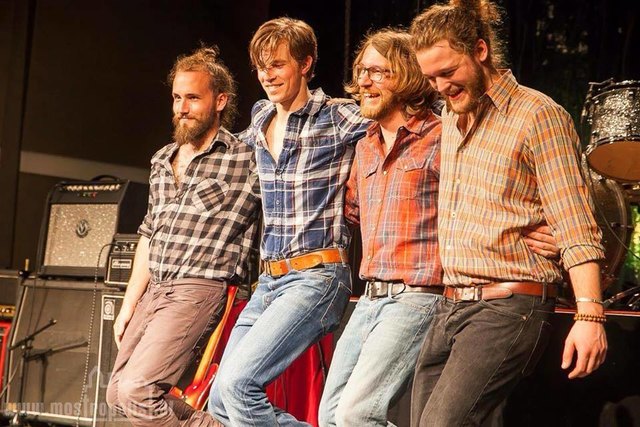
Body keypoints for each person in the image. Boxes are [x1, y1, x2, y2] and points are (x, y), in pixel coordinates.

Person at [409, 1, 607, 425]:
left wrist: (590, 314)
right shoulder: (451, 117)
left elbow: (576, 225)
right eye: (431, 78)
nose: (441, 86)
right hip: (451, 306)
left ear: (480, 50)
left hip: (508, 305)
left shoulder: (538, 116)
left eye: (448, 71)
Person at [207, 18, 370, 426]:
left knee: (239, 385)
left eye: (277, 64)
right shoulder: (261, 118)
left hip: (317, 275)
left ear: (305, 64)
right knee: (220, 401)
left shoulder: (337, 116)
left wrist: (360, 183)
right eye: (261, 67)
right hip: (268, 282)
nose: (267, 75)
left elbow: (403, 124)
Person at [105, 46, 261, 427]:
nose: (182, 108)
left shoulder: (245, 158)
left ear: (220, 101)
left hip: (198, 287)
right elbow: (149, 233)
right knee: (117, 394)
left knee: (138, 391)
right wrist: (129, 305)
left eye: (193, 98)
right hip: (155, 291)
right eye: (177, 98)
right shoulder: (162, 160)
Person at [317, 29, 443, 426]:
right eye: (361, 71)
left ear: (406, 76)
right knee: (330, 414)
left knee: (357, 414)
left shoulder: (441, 138)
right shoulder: (365, 145)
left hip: (416, 296)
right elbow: (353, 211)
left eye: (377, 72)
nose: (364, 82)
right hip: (370, 296)